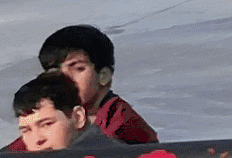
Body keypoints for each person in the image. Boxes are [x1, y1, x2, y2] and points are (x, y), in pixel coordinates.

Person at [21, 24, 158, 146]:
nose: (64, 78)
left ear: (103, 76)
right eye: (54, 72)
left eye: (78, 69)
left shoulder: (121, 121)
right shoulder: (57, 112)